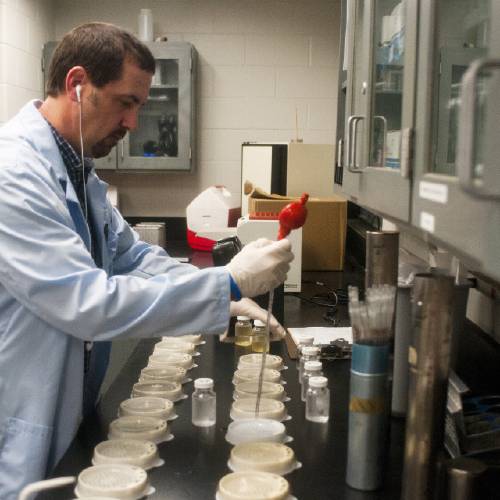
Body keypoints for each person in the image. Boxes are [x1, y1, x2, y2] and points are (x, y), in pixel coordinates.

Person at [0, 22, 293, 499]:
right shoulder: (13, 175)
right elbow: (89, 304)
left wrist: (223, 285)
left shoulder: (77, 171)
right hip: (24, 416)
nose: (133, 123)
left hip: (68, 407)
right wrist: (228, 287)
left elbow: (133, 258)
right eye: (126, 102)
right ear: (77, 85)